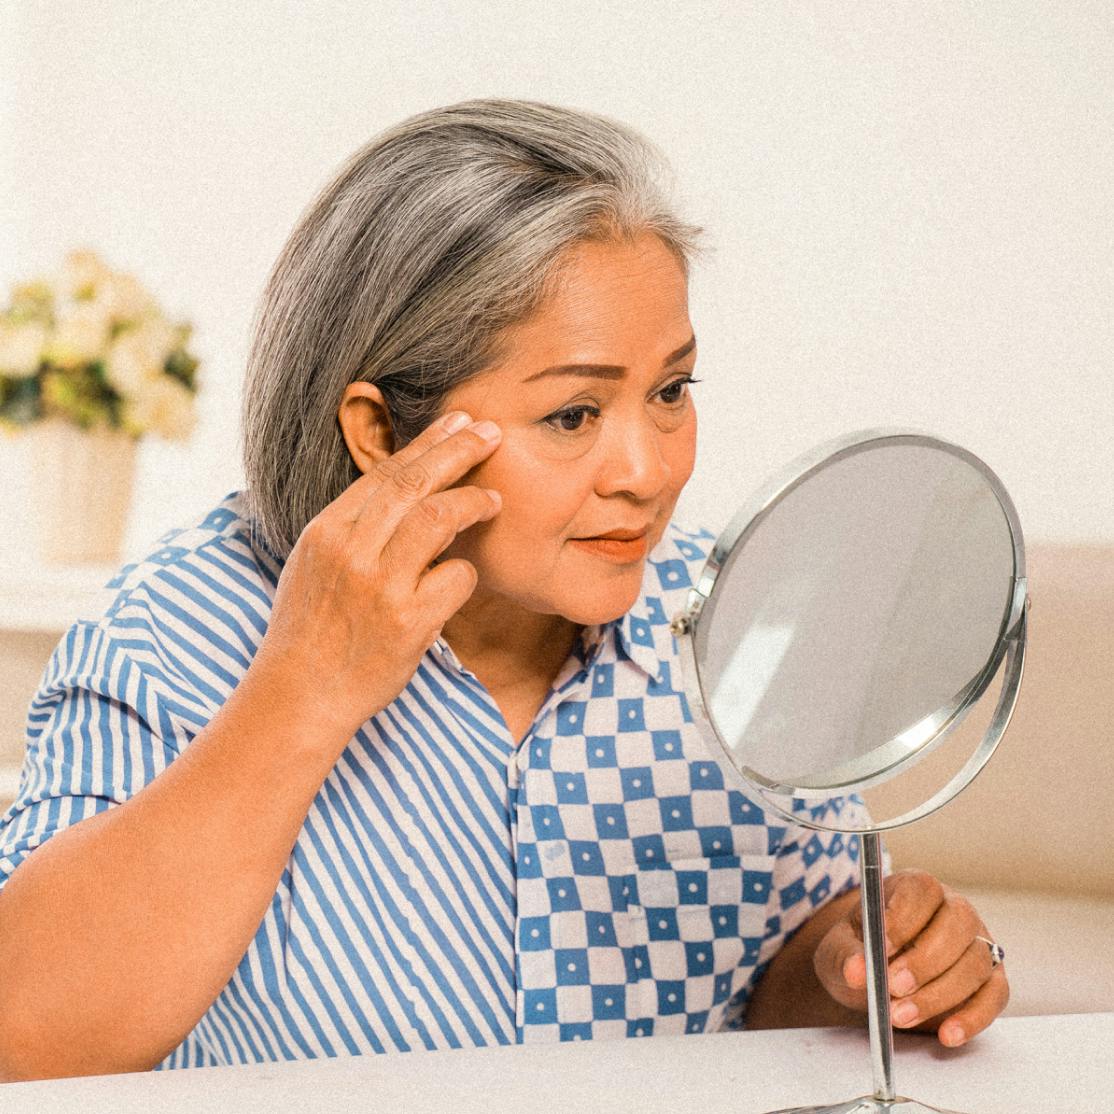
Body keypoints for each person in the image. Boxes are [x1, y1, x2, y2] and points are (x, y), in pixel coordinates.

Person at [0, 99, 1008, 1081]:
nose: (646, 471)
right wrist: (303, 688)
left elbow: (766, 982)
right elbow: (27, 1036)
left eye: (668, 392)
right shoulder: (170, 638)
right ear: (382, 433)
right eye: (572, 413)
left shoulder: (725, 620)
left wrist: (848, 973)